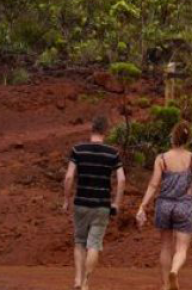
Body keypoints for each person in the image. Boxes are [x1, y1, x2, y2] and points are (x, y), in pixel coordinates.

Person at [136, 121, 192, 290]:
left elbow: (153, 184)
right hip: (184, 205)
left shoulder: (161, 159)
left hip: (164, 205)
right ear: (188, 139)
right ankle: (174, 270)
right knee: (181, 248)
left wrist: (142, 205)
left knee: (165, 246)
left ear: (172, 138)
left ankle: (166, 285)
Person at [63, 116, 125, 290]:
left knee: (79, 242)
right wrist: (117, 203)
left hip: (81, 203)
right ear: (106, 131)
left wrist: (66, 199)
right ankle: (86, 284)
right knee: (94, 244)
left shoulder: (78, 150)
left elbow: (69, 177)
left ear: (92, 130)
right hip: (102, 206)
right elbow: (121, 180)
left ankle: (77, 279)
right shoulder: (113, 153)